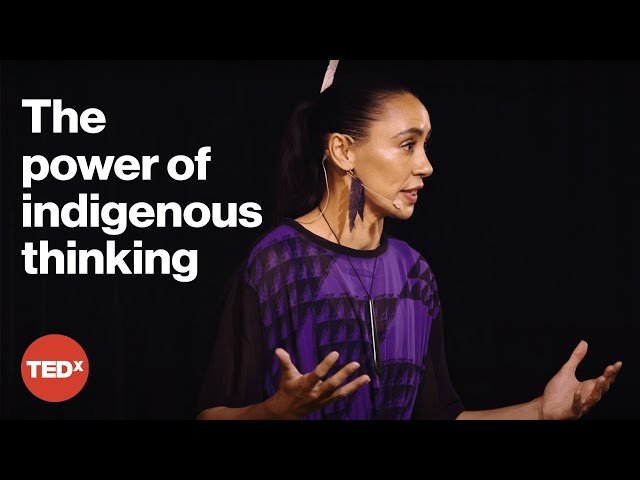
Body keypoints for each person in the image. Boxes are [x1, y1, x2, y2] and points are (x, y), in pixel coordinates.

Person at [197, 63, 622, 420]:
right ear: (343, 151)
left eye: (425, 145)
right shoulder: (277, 263)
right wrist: (273, 412)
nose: (426, 166)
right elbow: (210, 414)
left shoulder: (413, 272)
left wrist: (539, 411)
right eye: (407, 145)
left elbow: (441, 416)